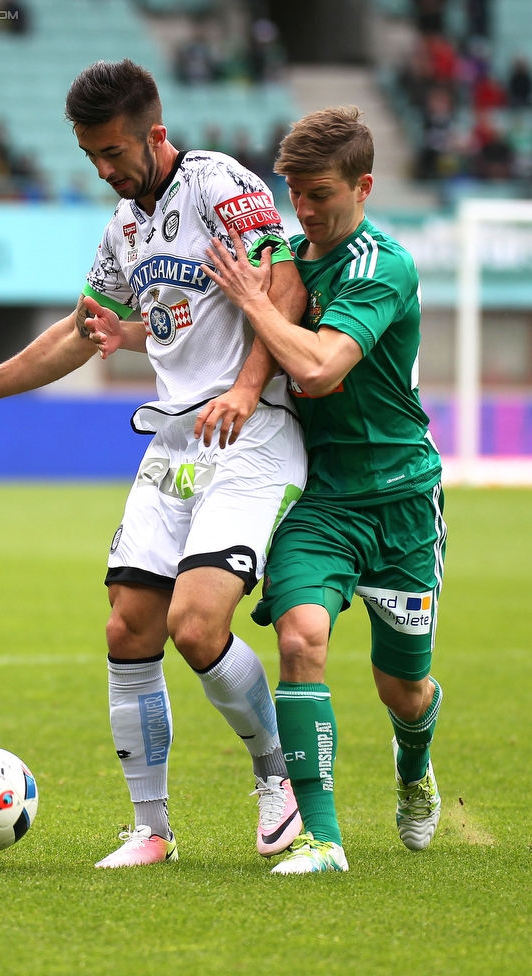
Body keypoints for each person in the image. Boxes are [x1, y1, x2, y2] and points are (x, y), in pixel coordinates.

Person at [0, 59, 307, 868]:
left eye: (114, 152)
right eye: (90, 155)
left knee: (198, 628)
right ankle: (151, 830)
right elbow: (78, 329)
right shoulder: (124, 225)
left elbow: (285, 283)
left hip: (250, 431)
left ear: (155, 134)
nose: (103, 170)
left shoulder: (218, 185)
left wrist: (246, 383)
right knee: (129, 627)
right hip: (174, 444)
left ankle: (278, 777)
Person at [202, 106, 446, 875]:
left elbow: (317, 368)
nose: (303, 210)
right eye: (294, 193)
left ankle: (413, 765)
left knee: (400, 688)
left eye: (319, 194)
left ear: (363, 186)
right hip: (324, 500)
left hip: (404, 500)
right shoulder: (286, 263)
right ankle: (323, 839)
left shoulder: (382, 265)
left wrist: (253, 304)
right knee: (301, 637)